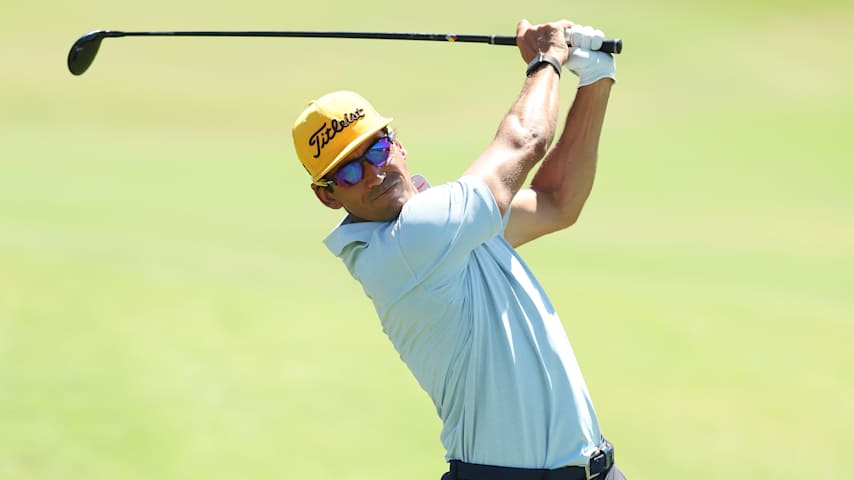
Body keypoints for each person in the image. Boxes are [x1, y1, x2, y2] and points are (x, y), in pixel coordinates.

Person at [291, 18, 625, 480]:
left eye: (376, 149)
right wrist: (547, 60)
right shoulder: (410, 243)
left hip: (596, 468)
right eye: (347, 173)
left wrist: (595, 79)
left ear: (398, 144)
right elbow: (525, 141)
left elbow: (557, 201)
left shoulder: (448, 224)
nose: (373, 173)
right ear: (327, 196)